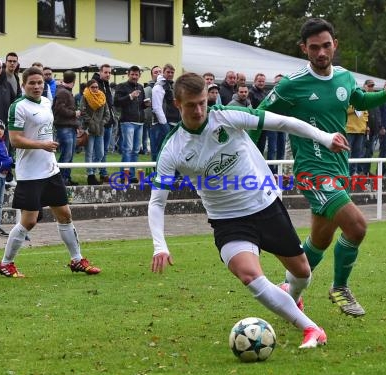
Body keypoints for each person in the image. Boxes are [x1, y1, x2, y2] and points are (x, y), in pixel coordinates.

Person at [149, 73, 350, 348]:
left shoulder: (227, 116)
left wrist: (325, 138)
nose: (198, 111)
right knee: (250, 276)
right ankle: (312, 329)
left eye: (202, 103)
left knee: (303, 273)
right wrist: (159, 245)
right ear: (176, 104)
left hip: (265, 206)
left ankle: (291, 293)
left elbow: (281, 122)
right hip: (227, 221)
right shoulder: (172, 149)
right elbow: (157, 201)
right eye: (190, 105)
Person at [254, 18, 386, 316]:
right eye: (314, 48)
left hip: (338, 168)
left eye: (326, 45)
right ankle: (340, 287)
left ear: (335, 44)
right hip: (312, 171)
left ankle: (288, 294)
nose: (322, 52)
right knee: (357, 226)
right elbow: (258, 116)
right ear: (304, 49)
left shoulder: (344, 76)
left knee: (320, 241)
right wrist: (248, 156)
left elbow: (359, 99)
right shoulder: (292, 84)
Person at [0, 67, 101, 278]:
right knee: (29, 221)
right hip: (30, 173)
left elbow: (44, 130)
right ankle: (6, 263)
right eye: (32, 83)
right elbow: (15, 140)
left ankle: (77, 259)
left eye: (39, 83)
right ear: (24, 84)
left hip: (50, 169)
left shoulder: (45, 101)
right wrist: (41, 145)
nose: (36, 86)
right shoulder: (18, 106)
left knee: (65, 215)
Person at [114, 65, 148, 182]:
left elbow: (141, 105)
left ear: (139, 76)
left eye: (136, 74)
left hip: (139, 122)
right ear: (128, 74)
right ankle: (125, 176)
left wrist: (146, 104)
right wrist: (130, 96)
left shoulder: (140, 87)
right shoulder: (122, 86)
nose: (134, 76)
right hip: (127, 121)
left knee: (135, 150)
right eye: (132, 74)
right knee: (127, 149)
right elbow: (116, 102)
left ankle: (132, 175)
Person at [79, 79, 110, 185]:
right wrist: (91, 122)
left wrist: (102, 122)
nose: (95, 89)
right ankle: (90, 175)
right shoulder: (85, 96)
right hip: (89, 129)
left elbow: (107, 114)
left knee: (100, 154)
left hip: (100, 129)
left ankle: (93, 170)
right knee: (89, 153)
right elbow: (82, 111)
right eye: (93, 87)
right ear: (88, 88)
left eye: (97, 87)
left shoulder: (102, 97)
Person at [53, 70, 80, 186]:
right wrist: (74, 114)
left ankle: (66, 178)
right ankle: (61, 179)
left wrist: (76, 125)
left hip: (70, 126)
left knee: (70, 154)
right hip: (64, 126)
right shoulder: (63, 92)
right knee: (67, 154)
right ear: (74, 81)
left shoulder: (64, 91)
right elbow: (58, 109)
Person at [92, 64, 115, 182]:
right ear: (100, 72)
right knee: (98, 151)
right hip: (99, 123)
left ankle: (103, 172)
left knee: (105, 150)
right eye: (106, 72)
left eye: (109, 72)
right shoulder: (95, 84)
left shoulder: (106, 85)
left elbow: (110, 104)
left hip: (109, 122)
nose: (108, 75)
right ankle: (92, 173)